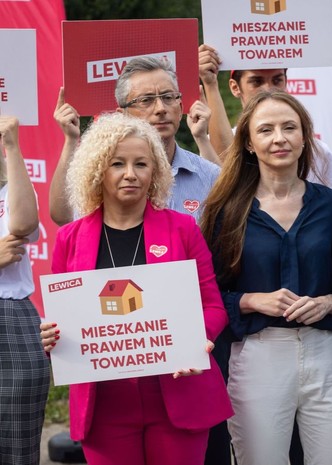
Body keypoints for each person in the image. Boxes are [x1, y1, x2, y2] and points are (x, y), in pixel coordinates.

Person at [39, 113, 233, 465]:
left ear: (155, 170)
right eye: (118, 163)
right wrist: (52, 335)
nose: (130, 173)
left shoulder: (183, 229)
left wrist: (195, 341)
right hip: (104, 405)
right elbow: (62, 320)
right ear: (98, 169)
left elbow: (213, 306)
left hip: (178, 393)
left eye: (141, 164)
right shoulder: (70, 238)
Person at [199, 90, 332, 465]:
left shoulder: (331, 205)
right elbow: (207, 292)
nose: (279, 138)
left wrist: (330, 302)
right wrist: (251, 300)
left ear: (305, 137)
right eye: (266, 130)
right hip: (258, 354)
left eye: (289, 127)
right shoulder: (226, 210)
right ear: (249, 143)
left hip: (327, 353)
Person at [50, 56, 221, 225]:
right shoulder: (103, 176)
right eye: (146, 100)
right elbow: (63, 217)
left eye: (168, 97)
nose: (161, 108)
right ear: (122, 114)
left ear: (181, 107)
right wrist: (71, 140)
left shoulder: (209, 175)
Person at [198, 44, 332, 197]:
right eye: (256, 82)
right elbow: (225, 167)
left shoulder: (318, 152)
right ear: (235, 88)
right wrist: (210, 83)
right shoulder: (211, 143)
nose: (269, 89)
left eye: (277, 80)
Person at [0, 116, 50, 464]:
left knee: (18, 448)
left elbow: (22, 225)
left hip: (14, 319)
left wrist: (12, 144)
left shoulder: (11, 190)